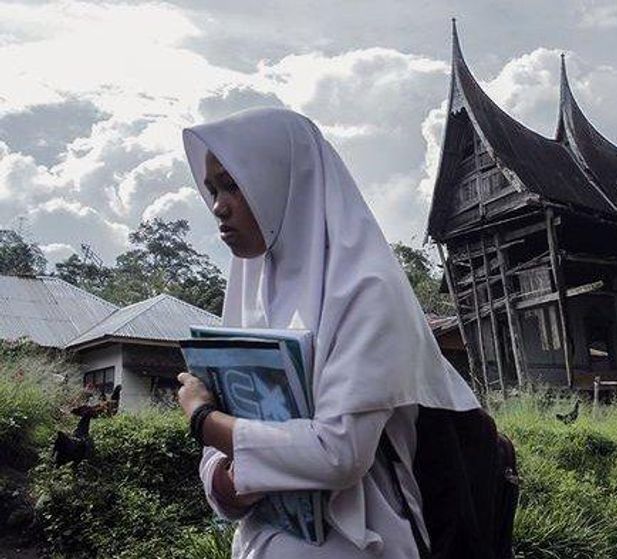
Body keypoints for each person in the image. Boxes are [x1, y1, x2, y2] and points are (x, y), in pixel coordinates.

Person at [176, 107, 479, 558]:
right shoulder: (248, 289)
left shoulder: (364, 288)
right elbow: (224, 457)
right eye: (212, 189)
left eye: (233, 184)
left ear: (281, 178)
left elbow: (340, 453)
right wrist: (223, 481)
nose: (218, 205)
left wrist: (205, 422)